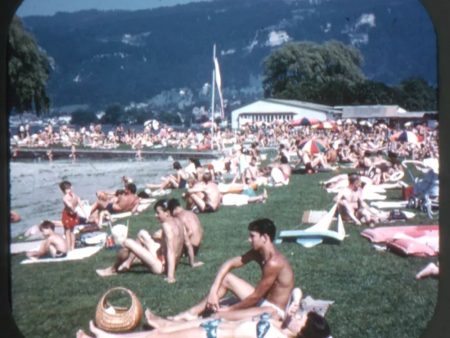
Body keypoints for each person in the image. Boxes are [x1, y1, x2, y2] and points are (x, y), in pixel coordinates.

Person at [170, 218, 295, 321]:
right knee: (227, 278)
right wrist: (214, 289)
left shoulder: (274, 263)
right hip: (263, 301)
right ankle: (191, 313)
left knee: (218, 316)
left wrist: (231, 309)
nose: (249, 239)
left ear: (265, 238)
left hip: (274, 310)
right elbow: (229, 263)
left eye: (252, 236)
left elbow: (256, 296)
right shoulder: (258, 253)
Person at [96, 199, 192, 283]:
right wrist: (192, 263)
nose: (156, 215)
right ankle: (128, 263)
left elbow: (171, 251)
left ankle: (113, 270)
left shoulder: (166, 226)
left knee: (127, 242)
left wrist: (170, 276)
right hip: (164, 259)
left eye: (158, 213)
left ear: (167, 212)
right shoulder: (179, 222)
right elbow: (188, 244)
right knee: (142, 233)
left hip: (161, 267)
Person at [77, 307, 330, 338]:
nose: (296, 316)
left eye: (301, 319)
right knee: (161, 333)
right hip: (212, 329)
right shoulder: (280, 322)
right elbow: (296, 293)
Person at [167, 198, 204, 267]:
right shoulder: (191, 213)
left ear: (174, 209)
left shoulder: (180, 216)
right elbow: (201, 230)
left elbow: (190, 232)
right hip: (197, 245)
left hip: (191, 246)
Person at [59, 180, 83, 251]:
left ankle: (70, 247)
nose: (68, 190)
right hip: (70, 215)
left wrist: (74, 210)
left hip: (69, 215)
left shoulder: (69, 196)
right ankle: (71, 247)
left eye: (68, 188)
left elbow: (71, 205)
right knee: (70, 232)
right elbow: (75, 204)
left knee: (70, 232)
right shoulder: (71, 196)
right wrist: (75, 210)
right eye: (67, 189)